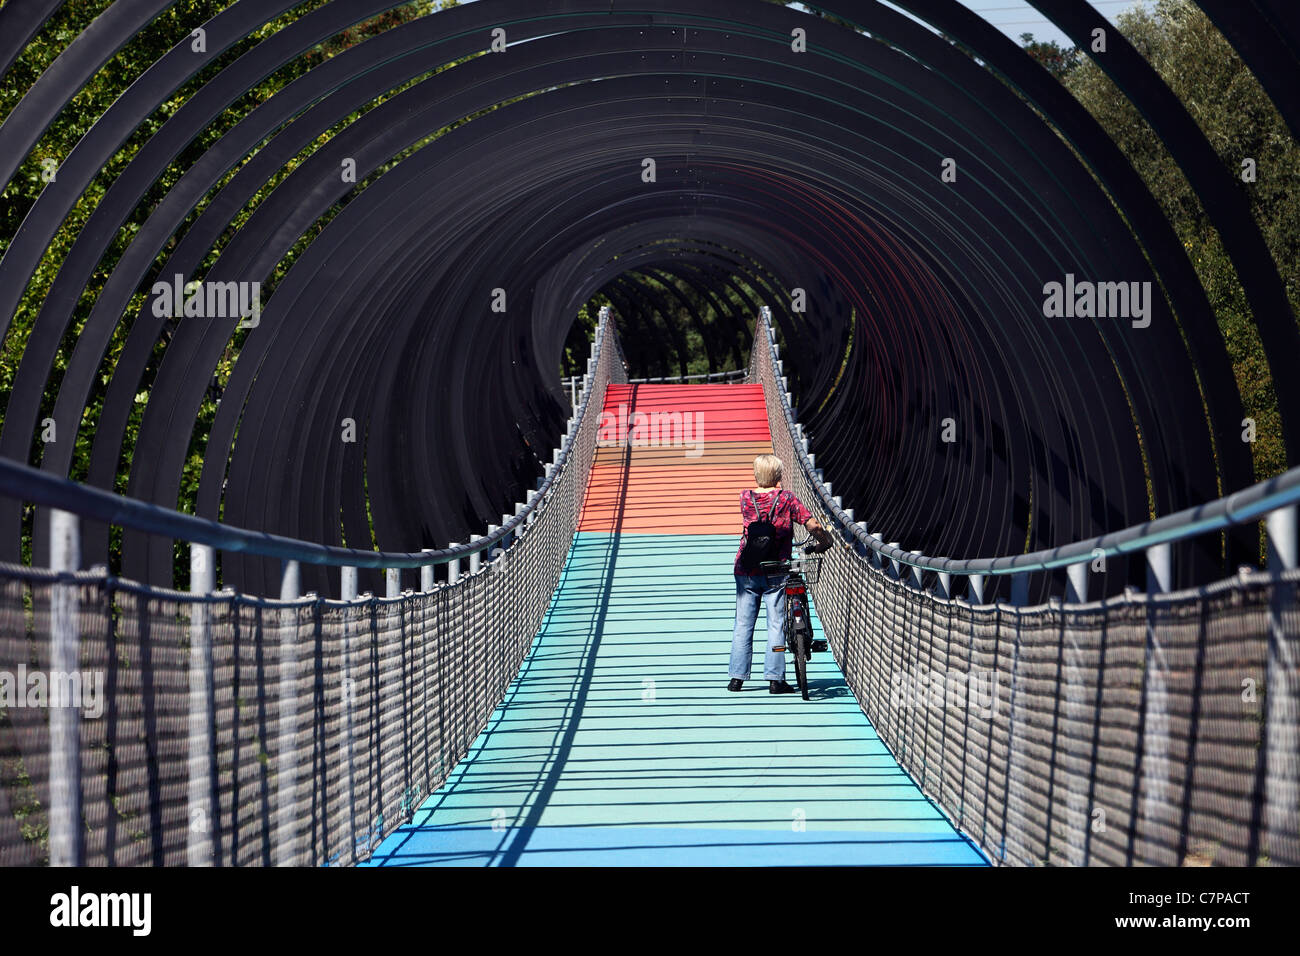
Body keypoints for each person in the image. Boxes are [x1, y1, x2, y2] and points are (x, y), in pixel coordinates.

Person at [728, 454, 833, 694]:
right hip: (777, 567)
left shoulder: (745, 498)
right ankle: (776, 680)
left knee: (743, 624)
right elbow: (813, 525)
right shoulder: (787, 499)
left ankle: (736, 678)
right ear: (777, 475)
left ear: (756, 474)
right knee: (776, 624)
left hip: (747, 569)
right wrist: (824, 542)